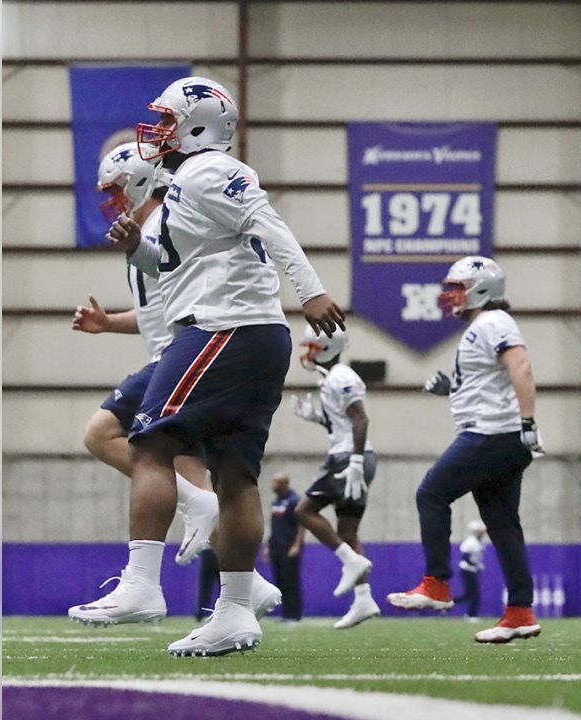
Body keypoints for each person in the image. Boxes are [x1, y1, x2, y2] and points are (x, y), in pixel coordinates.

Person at [113, 76, 345, 656]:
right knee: (234, 476)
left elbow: (270, 223)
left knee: (149, 445)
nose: (159, 130)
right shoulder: (182, 183)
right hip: (245, 331)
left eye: (167, 119)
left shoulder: (209, 170)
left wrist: (310, 291)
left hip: (225, 327)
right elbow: (170, 266)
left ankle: (142, 584)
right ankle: (237, 611)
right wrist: (134, 246)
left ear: (199, 124)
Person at [69, 142, 281, 627]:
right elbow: (157, 307)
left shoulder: (172, 217)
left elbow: (193, 294)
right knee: (206, 476)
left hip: (190, 352)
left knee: (106, 435)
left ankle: (166, 568)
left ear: (143, 178)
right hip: (187, 351)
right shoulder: (146, 228)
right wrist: (110, 324)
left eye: (116, 188)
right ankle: (252, 590)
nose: (111, 199)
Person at [386, 256, 545, 644]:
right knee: (504, 525)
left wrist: (528, 422)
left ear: (480, 289)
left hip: (492, 434)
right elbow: (488, 380)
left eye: (457, 288)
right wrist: (453, 388)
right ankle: (520, 611)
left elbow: (520, 367)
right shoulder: (484, 326)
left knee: (431, 493)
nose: (450, 296)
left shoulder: (494, 322)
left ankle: (437, 584)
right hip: (501, 436)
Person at [290, 327, 380, 630]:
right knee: (349, 532)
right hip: (353, 456)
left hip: (348, 458)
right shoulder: (332, 378)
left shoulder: (340, 376)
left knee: (303, 510)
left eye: (314, 346)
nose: (309, 352)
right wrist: (316, 417)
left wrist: (354, 460)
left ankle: (351, 561)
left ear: (327, 347)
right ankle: (364, 598)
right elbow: (343, 420)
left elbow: (360, 418)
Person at [268, 474, 305, 622]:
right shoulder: (276, 502)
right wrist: (268, 545)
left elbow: (302, 525)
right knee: (280, 581)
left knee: (291, 581)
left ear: (284, 483)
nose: (273, 485)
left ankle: (294, 614)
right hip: (276, 546)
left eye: (276, 482)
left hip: (289, 547)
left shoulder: (294, 500)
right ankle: (285, 613)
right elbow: (274, 526)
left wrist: (297, 545)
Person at [454, 521, 488, 620]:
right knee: (473, 594)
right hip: (467, 570)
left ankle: (448, 604)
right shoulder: (470, 542)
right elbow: (465, 558)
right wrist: (476, 565)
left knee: (469, 595)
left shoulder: (478, 542)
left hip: (472, 570)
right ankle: (472, 615)